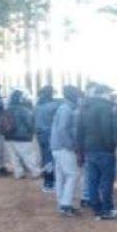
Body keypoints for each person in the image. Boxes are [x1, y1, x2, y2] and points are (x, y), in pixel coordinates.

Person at [77, 84, 117, 220]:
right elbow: (107, 129)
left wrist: (81, 149)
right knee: (106, 180)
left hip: (90, 149)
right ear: (103, 93)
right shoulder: (105, 107)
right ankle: (107, 208)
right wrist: (111, 146)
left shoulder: (84, 107)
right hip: (104, 149)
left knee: (93, 180)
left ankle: (96, 209)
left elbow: (79, 131)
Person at [50, 86, 82, 216]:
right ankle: (66, 205)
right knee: (72, 175)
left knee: (62, 176)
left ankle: (63, 203)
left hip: (57, 147)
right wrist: (71, 145)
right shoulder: (67, 109)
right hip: (63, 147)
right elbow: (63, 129)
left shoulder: (64, 108)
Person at [1, 90, 40, 180]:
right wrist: (32, 133)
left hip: (8, 136)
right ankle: (35, 172)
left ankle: (18, 173)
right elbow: (30, 124)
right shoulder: (25, 110)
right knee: (28, 155)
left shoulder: (7, 110)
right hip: (23, 137)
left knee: (14, 156)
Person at [34, 86, 62, 193]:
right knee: (50, 158)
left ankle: (48, 181)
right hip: (48, 133)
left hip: (40, 133)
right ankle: (49, 183)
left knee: (45, 157)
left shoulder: (38, 105)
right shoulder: (53, 105)